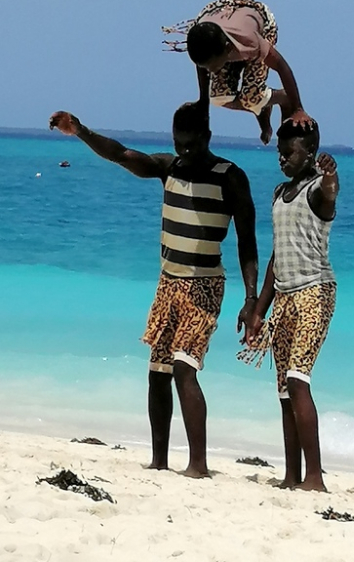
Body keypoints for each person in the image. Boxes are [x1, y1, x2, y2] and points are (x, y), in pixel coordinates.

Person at [49, 103, 259, 478]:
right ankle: (159, 460)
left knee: (184, 367)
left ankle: (198, 465)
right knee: (158, 371)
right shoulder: (169, 167)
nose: (185, 152)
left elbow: (247, 241)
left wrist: (251, 298)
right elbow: (120, 154)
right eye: (179, 144)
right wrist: (80, 129)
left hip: (205, 285)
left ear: (207, 139)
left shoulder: (230, 176)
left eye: (192, 144)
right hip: (168, 282)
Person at [246, 119, 337, 492]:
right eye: (280, 153)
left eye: (290, 153)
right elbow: (274, 257)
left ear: (310, 154)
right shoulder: (278, 193)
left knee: (299, 379)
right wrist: (257, 309)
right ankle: (291, 475)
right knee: (285, 389)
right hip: (283, 297)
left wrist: (332, 176)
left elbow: (331, 194)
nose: (283, 159)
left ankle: (314, 477)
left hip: (316, 291)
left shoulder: (318, 189)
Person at [163, 0, 313, 145]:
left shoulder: (250, 42)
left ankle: (282, 97)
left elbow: (282, 65)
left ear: (227, 49)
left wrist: (298, 108)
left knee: (251, 99)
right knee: (218, 98)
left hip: (260, 22)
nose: (212, 71)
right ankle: (263, 107)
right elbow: (202, 65)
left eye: (214, 66)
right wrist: (203, 101)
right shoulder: (200, 39)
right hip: (216, 14)